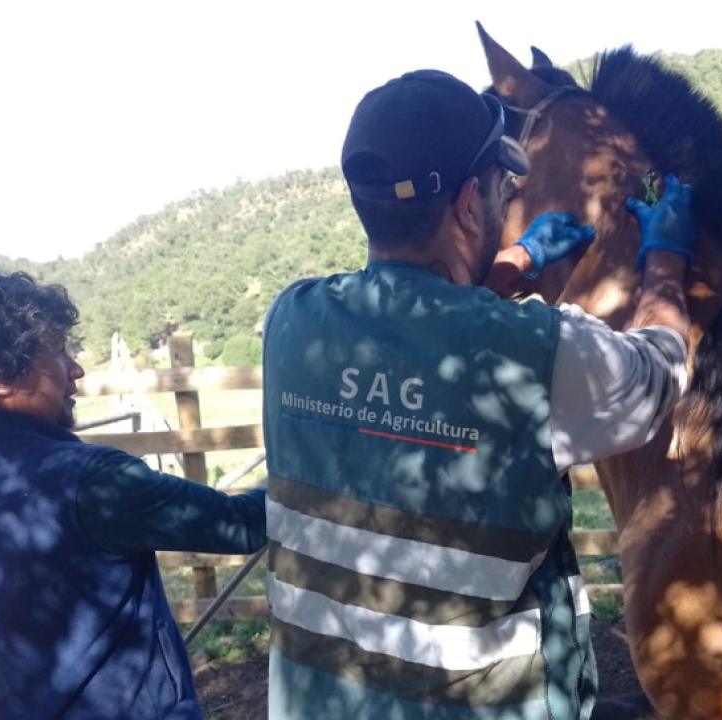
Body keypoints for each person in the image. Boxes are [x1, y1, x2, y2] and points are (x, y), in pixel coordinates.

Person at [260, 70, 695, 720]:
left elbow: (417, 342)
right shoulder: (539, 352)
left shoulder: (290, 323)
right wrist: (666, 258)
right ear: (469, 203)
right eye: (501, 186)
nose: (505, 197)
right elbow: (660, 371)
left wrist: (513, 262)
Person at [0, 263, 268, 720]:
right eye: (57, 353)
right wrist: (308, 460)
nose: (76, 369)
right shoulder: (90, 480)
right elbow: (244, 524)